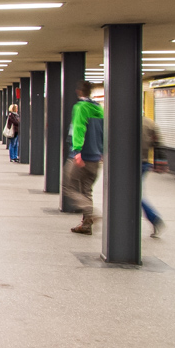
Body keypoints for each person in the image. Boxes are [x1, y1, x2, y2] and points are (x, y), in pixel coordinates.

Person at [67, 82, 105, 235]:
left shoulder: (80, 107)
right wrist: (101, 151)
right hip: (95, 158)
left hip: (82, 156)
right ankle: (86, 225)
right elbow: (103, 132)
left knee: (67, 185)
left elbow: (78, 128)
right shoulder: (98, 109)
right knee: (86, 189)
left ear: (79, 91)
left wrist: (77, 151)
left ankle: (90, 211)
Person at [142, 116, 165, 238]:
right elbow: (158, 144)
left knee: (134, 195)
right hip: (145, 163)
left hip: (133, 164)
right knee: (135, 194)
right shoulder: (150, 123)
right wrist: (160, 163)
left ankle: (154, 218)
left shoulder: (127, 123)